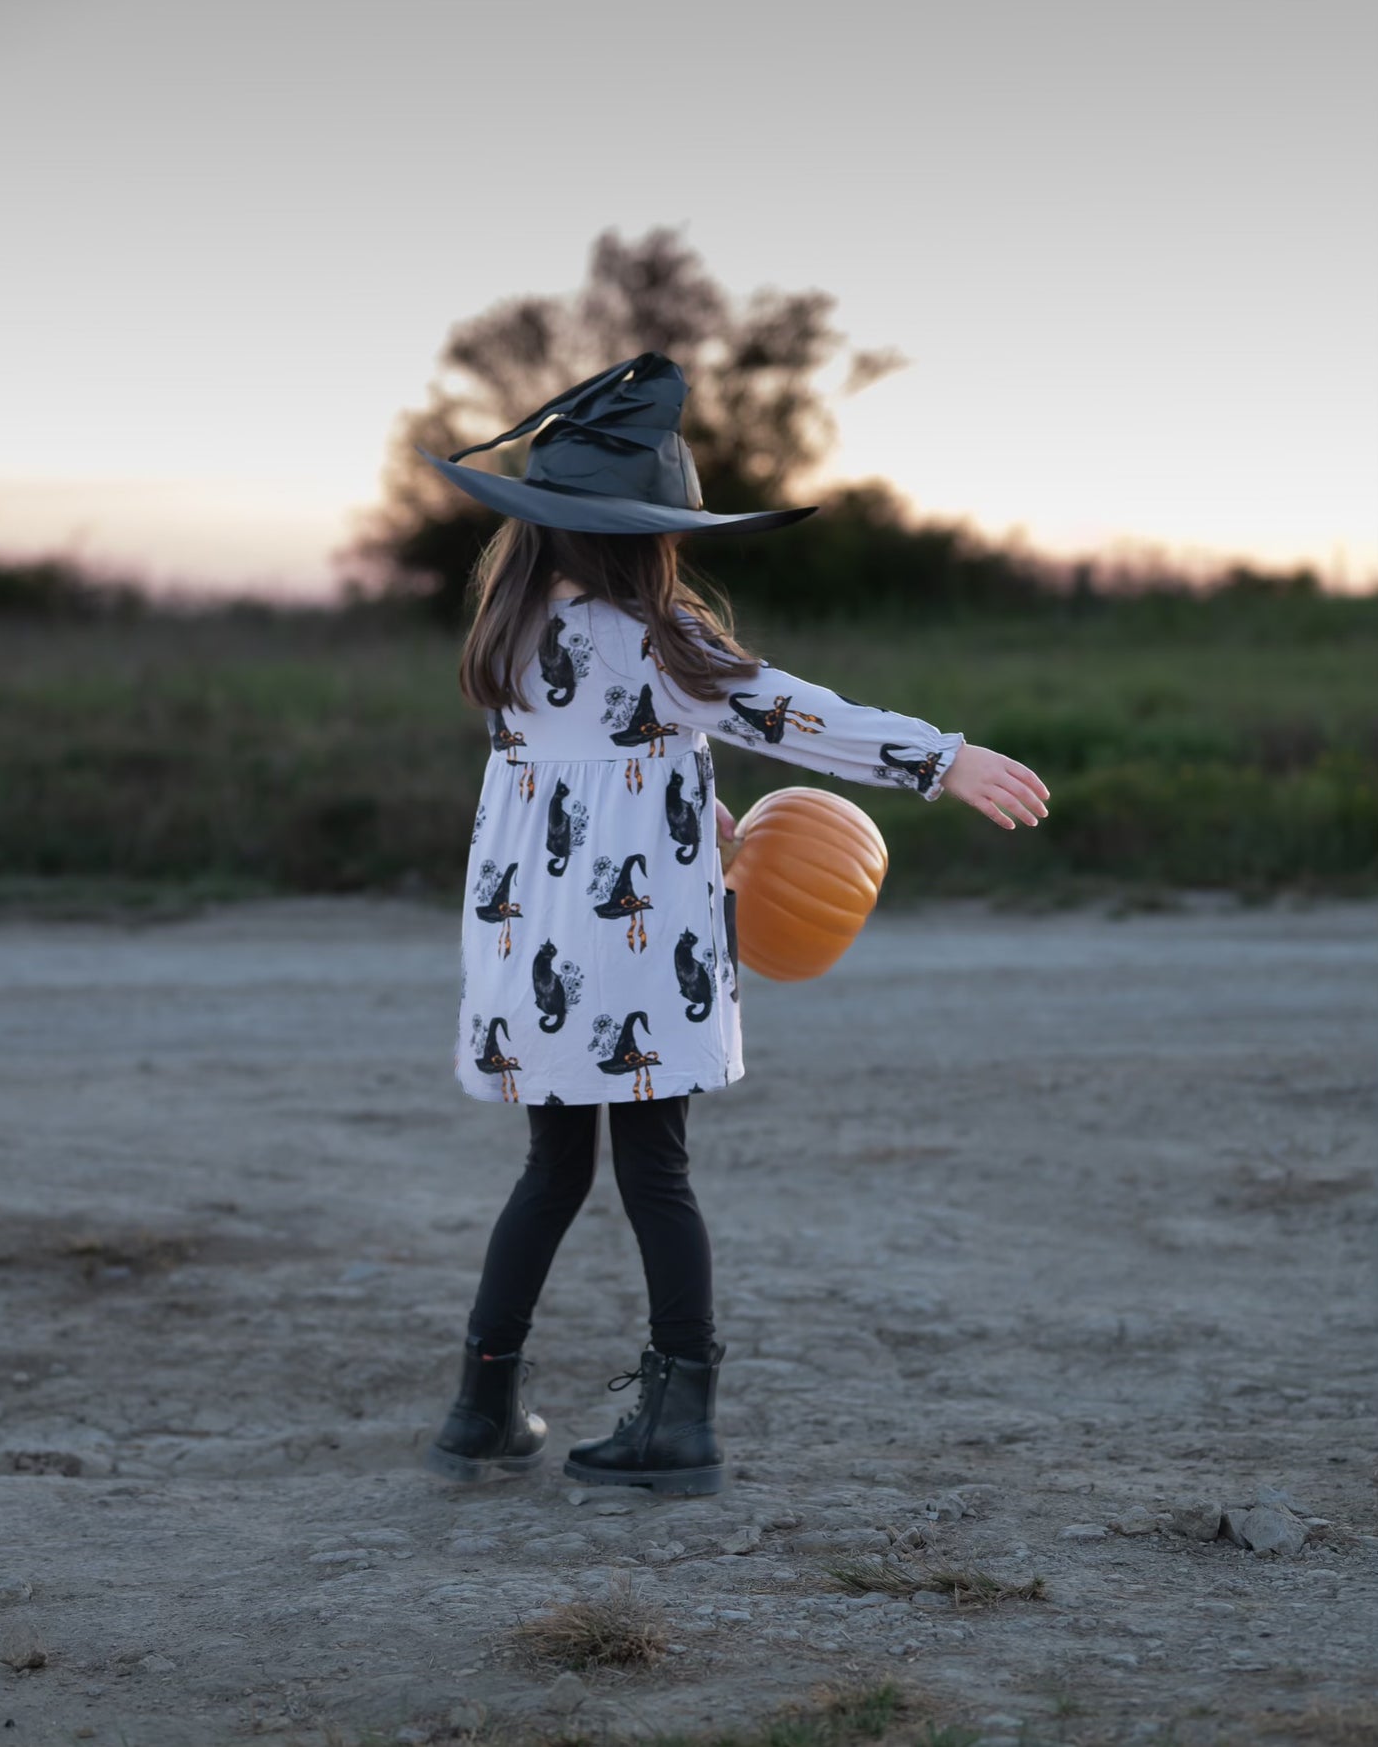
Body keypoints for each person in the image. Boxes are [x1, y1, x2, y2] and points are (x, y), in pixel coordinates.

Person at [419, 352, 1049, 1493]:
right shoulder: (664, 643)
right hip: (639, 962)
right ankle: (676, 1418)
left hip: (526, 952)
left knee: (549, 1176)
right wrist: (942, 758)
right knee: (655, 1175)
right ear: (647, 535)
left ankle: (480, 1405)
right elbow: (796, 716)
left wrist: (680, 799)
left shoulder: (505, 644)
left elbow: (577, 779)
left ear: (537, 530)